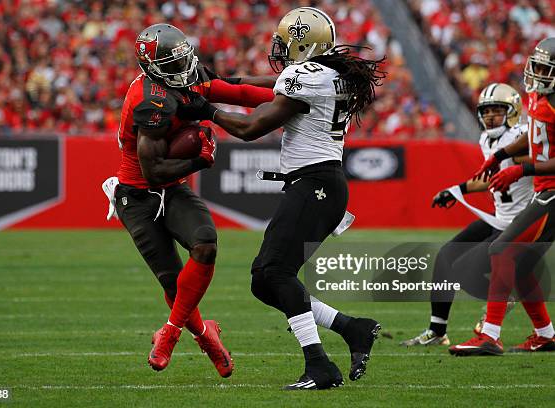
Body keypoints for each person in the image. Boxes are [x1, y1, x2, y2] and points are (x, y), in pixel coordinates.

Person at [177, 7, 385, 389]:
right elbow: (266, 87)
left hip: (316, 185)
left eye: (287, 45)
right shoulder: (329, 73)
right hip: (321, 184)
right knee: (265, 281)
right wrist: (220, 82)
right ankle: (353, 329)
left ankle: (319, 365)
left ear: (303, 44)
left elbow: (252, 127)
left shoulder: (307, 78)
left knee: (273, 273)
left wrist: (208, 109)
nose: (281, 53)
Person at [113, 23, 275, 376]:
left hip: (173, 190)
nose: (184, 70)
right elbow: (154, 171)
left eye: (183, 59)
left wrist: (291, 89)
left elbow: (239, 89)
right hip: (138, 195)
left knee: (206, 245)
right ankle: (206, 336)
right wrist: (199, 160)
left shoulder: (186, 77)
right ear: (153, 68)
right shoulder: (150, 100)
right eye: (173, 64)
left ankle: (169, 332)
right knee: (173, 282)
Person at [401, 83, 532, 347]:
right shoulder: (487, 139)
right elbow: (491, 178)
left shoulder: (521, 138)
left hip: (522, 220)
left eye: (498, 110)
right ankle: (437, 331)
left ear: (513, 110)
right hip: (499, 216)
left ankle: (506, 297)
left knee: (464, 268)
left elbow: (531, 165)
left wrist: (524, 163)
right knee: (446, 257)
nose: (491, 116)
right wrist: (456, 190)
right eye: (487, 111)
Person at [450, 37, 555, 356]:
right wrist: (499, 156)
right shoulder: (539, 96)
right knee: (520, 264)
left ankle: (490, 335)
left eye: (543, 68)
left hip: (553, 194)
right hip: (545, 191)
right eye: (536, 66)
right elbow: (534, 135)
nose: (536, 73)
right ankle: (546, 335)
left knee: (503, 250)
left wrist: (521, 171)